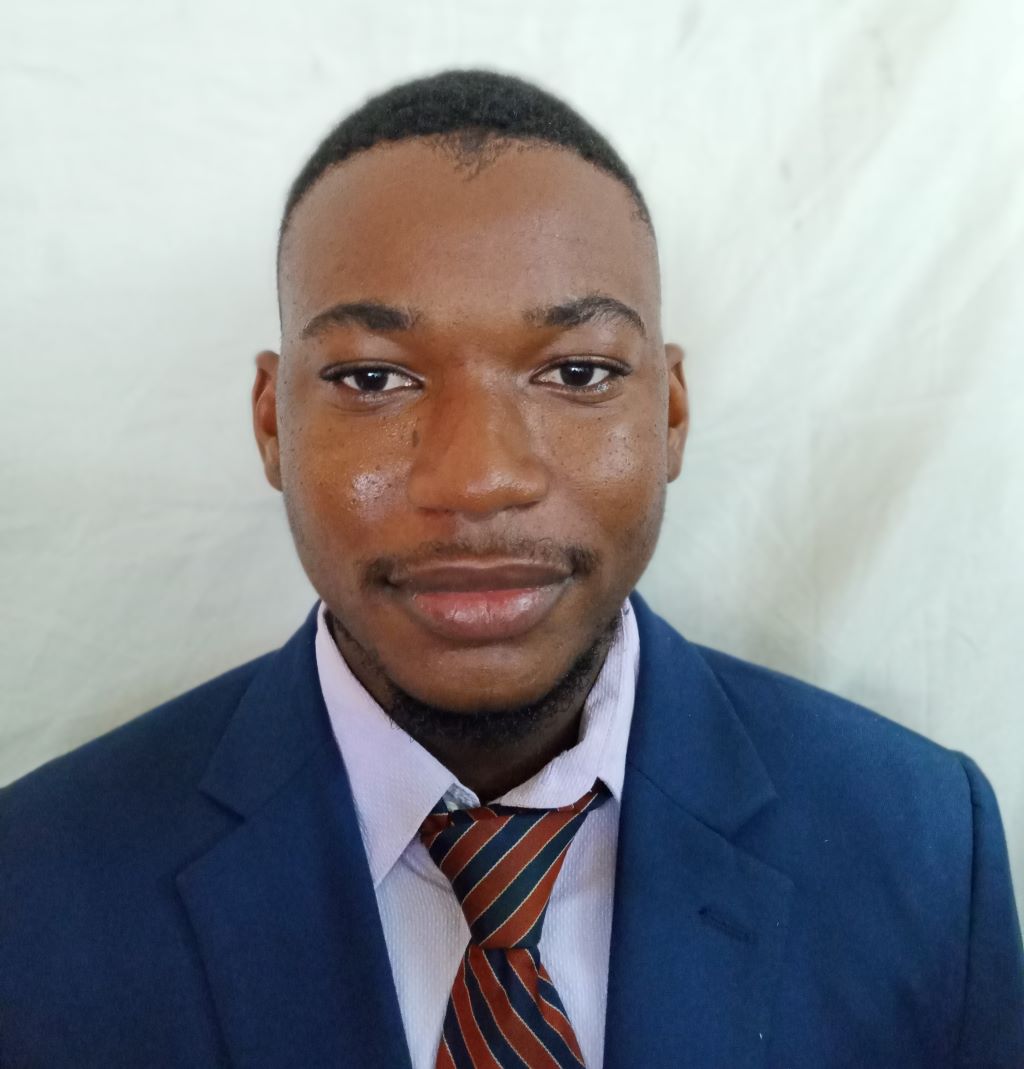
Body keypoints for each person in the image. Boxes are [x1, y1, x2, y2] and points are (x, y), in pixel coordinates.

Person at [1, 69, 1021, 1069]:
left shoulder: (925, 850)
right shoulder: (36, 884)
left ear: (670, 412)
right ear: (272, 423)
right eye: (373, 377)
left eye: (577, 372)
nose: (480, 478)